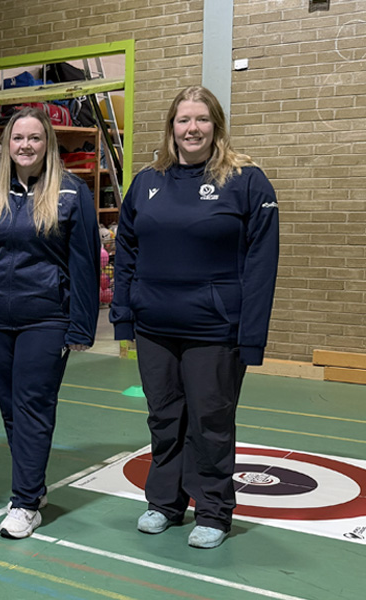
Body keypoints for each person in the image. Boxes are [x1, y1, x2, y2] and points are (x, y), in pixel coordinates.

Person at [109, 86, 279, 549]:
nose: (192, 129)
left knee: (210, 422)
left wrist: (252, 336)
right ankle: (164, 502)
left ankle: (213, 510)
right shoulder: (146, 182)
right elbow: (125, 252)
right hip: (154, 327)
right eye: (183, 120)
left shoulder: (246, 181)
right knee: (164, 419)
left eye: (201, 119)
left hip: (215, 330)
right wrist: (123, 317)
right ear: (171, 127)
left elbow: (263, 266)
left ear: (216, 125)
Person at [0, 107, 100, 539]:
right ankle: (31, 490)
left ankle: (24, 503)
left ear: (48, 144)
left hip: (46, 319)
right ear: (6, 145)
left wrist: (80, 326)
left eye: (34, 138)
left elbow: (86, 263)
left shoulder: (72, 193)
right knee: (10, 410)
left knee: (32, 407)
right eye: (17, 138)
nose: (25, 146)